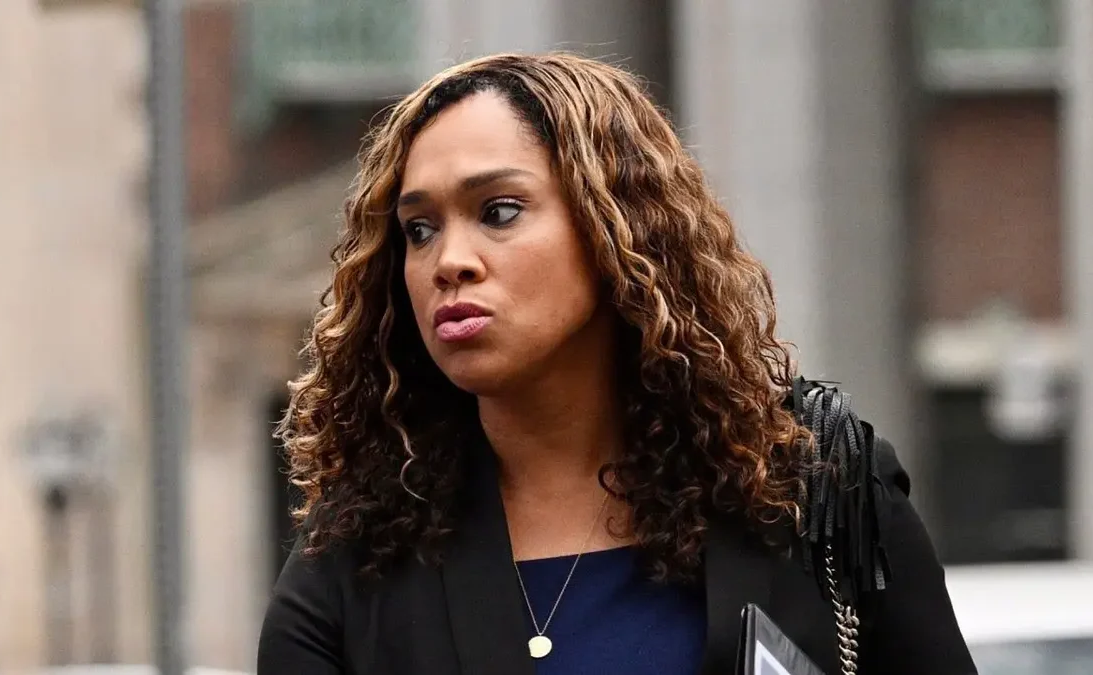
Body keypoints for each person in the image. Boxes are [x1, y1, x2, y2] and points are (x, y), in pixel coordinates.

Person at [257, 52, 976, 675]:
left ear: (615, 231)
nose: (450, 261)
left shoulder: (807, 486)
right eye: (418, 229)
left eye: (499, 211)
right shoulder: (355, 556)